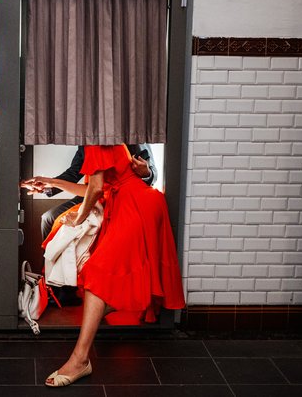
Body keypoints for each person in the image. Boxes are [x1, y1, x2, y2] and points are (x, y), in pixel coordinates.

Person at [42, 145, 184, 387]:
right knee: (99, 272)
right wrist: (48, 182)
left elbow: (96, 190)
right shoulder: (99, 135)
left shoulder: (98, 135)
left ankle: (80, 359)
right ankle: (100, 317)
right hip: (124, 203)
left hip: (136, 204)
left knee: (97, 271)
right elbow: (92, 188)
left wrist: (78, 218)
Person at [21, 145, 156, 305]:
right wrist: (47, 186)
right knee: (49, 217)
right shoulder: (86, 138)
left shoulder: (132, 134)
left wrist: (147, 173)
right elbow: (75, 173)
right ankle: (56, 285)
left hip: (113, 194)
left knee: (70, 226)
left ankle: (67, 287)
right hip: (95, 191)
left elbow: (149, 174)